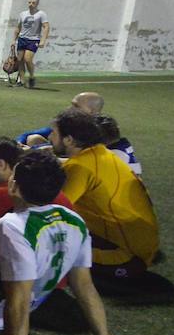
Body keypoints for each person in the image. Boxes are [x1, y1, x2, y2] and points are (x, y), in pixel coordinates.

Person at [0, 151, 155, 335]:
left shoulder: (10, 227)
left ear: (14, 185)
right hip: (22, 305)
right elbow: (84, 286)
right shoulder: (73, 220)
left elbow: (17, 304)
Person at [50, 108, 159, 280]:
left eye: (54, 133)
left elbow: (53, 211)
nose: (50, 138)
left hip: (126, 256)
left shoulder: (80, 167)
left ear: (69, 140)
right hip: (142, 244)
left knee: (44, 238)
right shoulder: (101, 153)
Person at [17, 91, 102, 147]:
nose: (70, 109)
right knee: (34, 138)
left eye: (76, 106)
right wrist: (18, 143)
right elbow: (27, 135)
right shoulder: (67, 123)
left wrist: (34, 150)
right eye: (71, 105)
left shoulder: (99, 133)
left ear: (93, 112)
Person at [10, 0, 49, 88]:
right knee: (20, 60)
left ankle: (31, 77)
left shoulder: (41, 14)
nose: (31, 4)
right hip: (22, 39)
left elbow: (46, 27)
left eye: (33, 3)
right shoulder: (23, 14)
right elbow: (18, 27)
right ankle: (22, 81)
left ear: (37, 4)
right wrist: (13, 40)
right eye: (29, 2)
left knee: (27, 59)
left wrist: (43, 41)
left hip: (33, 40)